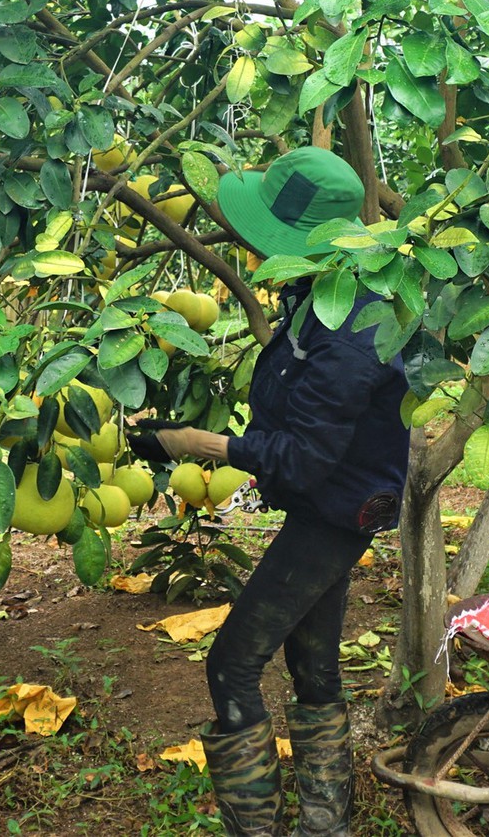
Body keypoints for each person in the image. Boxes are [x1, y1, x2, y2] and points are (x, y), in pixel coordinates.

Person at [134, 146, 409, 837]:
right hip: (334, 506)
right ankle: (325, 826)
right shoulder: (326, 298)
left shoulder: (352, 331)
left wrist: (198, 443)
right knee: (311, 663)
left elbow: (304, 458)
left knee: (232, 662)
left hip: (333, 514)